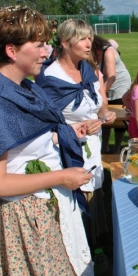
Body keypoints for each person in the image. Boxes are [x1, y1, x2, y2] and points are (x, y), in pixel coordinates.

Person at [0, 6, 97, 276]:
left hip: (44, 207)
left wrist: (60, 135)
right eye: (39, 44)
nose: (47, 50)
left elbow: (20, 141)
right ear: (11, 50)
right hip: (26, 216)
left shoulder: (21, 87)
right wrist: (62, 176)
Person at [35, 19, 116, 250]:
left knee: (95, 199)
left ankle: (97, 251)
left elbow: (100, 106)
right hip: (68, 155)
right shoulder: (50, 78)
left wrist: (105, 116)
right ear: (65, 43)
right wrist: (75, 129)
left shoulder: (88, 69)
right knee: (77, 210)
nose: (89, 43)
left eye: (89, 37)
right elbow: (43, 126)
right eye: (82, 38)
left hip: (93, 150)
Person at [91, 35, 131, 154]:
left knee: (119, 116)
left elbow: (112, 76)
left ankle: (117, 148)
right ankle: (104, 146)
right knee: (105, 115)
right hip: (105, 84)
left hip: (120, 85)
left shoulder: (108, 52)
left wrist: (100, 92)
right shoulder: (93, 54)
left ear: (96, 48)